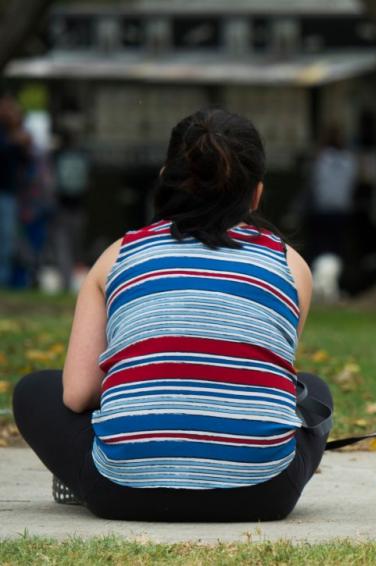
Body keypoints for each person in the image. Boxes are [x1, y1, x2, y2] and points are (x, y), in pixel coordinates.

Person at [12, 108, 329, 522]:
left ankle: (104, 465)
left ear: (165, 176)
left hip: (121, 493)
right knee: (314, 389)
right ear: (256, 193)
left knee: (35, 389)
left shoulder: (118, 256)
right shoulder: (290, 265)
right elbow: (272, 373)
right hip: (263, 494)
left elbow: (77, 394)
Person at [309, 124, 357, 262]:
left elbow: (314, 183)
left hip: (323, 210)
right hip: (341, 210)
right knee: (336, 248)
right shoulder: (349, 160)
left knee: (320, 248)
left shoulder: (320, 159)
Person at [52, 129, 91, 291]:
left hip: (64, 206)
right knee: (73, 245)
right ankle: (68, 283)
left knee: (66, 245)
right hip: (73, 206)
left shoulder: (57, 156)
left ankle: (67, 282)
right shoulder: (81, 156)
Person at [0, 95, 31, 287]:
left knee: (8, 239)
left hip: (9, 193)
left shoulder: (16, 134)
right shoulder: (7, 137)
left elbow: (23, 163)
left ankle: (3, 280)